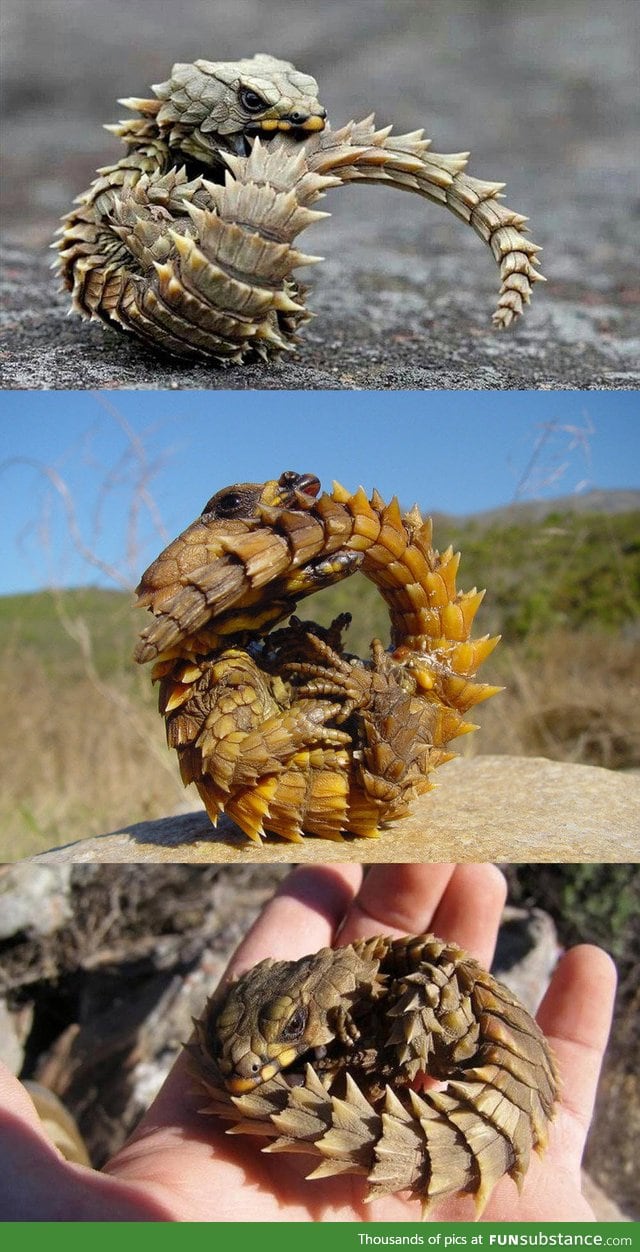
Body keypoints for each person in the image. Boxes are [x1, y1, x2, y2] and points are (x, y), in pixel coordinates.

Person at [0, 863, 617, 1221]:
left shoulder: (387, 988)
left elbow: (422, 1011)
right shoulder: (331, 997)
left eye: (296, 1029)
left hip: (501, 1082)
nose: (253, 1069)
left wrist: (366, 1062)